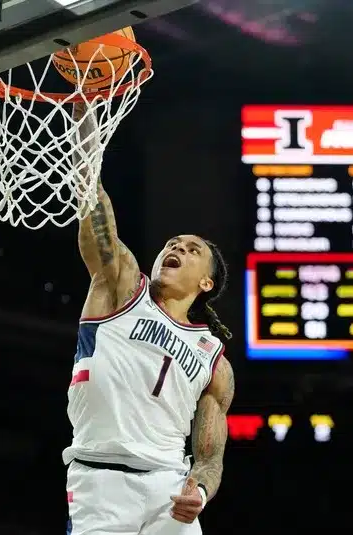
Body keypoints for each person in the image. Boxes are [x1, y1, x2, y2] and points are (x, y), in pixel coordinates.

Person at [63, 103, 235, 535]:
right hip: (99, 481)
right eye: (173, 243)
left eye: (193, 249)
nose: (176, 248)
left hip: (168, 489)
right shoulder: (122, 286)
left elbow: (210, 456)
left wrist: (201, 491)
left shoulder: (214, 359)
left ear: (207, 284)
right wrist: (86, 131)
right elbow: (92, 202)